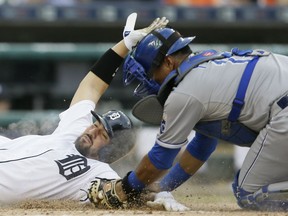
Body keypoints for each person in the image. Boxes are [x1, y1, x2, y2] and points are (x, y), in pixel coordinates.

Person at [89, 26, 288, 211]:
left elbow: (161, 158)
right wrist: (162, 188)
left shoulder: (184, 92)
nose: (150, 81)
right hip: (281, 104)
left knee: (249, 193)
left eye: (151, 73)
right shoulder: (207, 64)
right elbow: (203, 145)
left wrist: (127, 187)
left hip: (283, 109)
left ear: (168, 62)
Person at [0, 13, 179, 210]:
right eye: (96, 124)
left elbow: (122, 191)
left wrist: (157, 194)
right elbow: (92, 86)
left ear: (112, 150)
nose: (92, 131)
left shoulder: (97, 173)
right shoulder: (73, 130)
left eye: (102, 134)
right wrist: (125, 44)